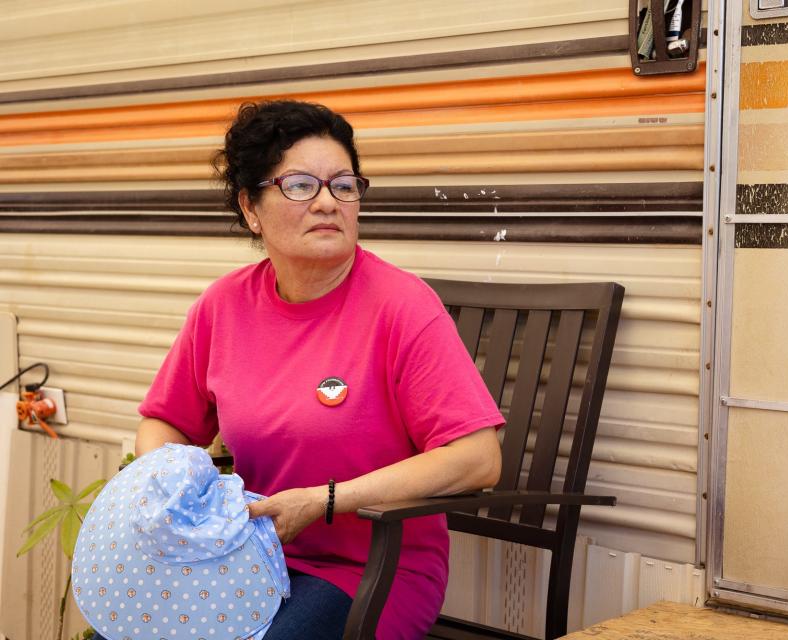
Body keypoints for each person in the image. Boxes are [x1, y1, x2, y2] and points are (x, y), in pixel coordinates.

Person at [117, 100, 504, 640]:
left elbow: (479, 457)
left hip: (371, 570)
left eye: (343, 185)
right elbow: (165, 423)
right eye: (300, 186)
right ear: (251, 208)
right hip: (245, 557)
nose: (327, 202)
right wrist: (168, 490)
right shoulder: (223, 305)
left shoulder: (402, 305)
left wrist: (326, 501)